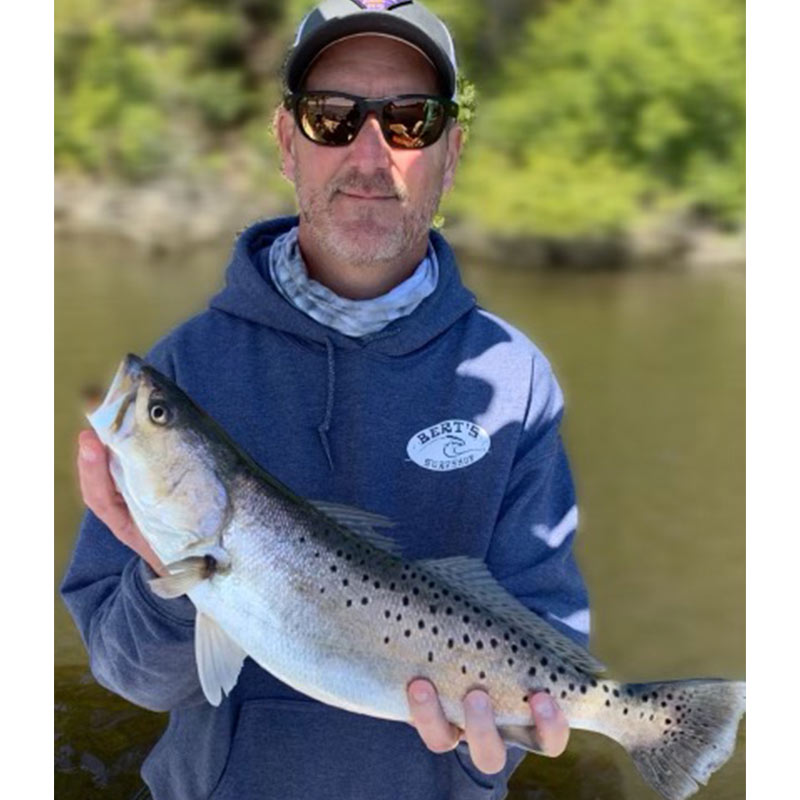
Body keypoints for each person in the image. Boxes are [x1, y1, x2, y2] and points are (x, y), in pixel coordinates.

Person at [61, 2, 591, 798]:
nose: (371, 153)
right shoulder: (186, 363)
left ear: (451, 152)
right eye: (332, 117)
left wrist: (498, 749)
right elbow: (131, 678)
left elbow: (546, 635)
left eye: (411, 120)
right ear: (286, 142)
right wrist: (162, 573)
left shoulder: (515, 377)